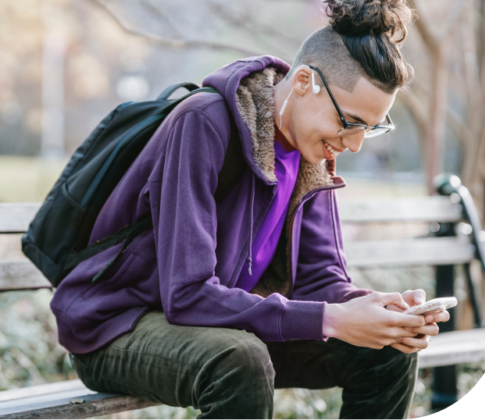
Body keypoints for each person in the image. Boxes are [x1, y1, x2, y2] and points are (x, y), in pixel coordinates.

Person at [50, 0, 450, 418]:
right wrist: (330, 319)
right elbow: (186, 296)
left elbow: (320, 279)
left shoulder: (311, 151)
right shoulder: (203, 123)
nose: (354, 144)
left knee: (386, 350)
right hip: (119, 325)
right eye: (350, 122)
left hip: (223, 326)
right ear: (303, 83)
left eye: (371, 128)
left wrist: (375, 311)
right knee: (240, 359)